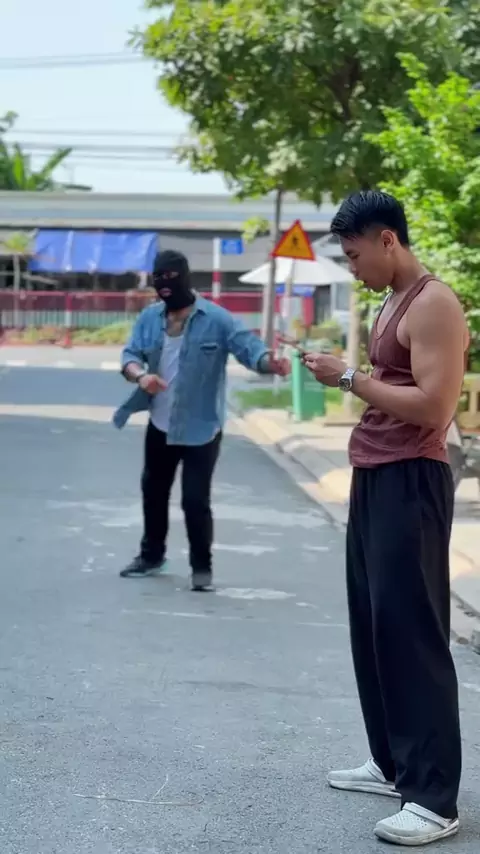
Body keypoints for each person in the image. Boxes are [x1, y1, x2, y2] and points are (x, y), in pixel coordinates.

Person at [303, 191, 468, 847]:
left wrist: (347, 379)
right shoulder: (392, 300)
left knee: (413, 634)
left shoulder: (434, 303)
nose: (352, 269)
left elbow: (434, 407)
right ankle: (393, 762)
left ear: (388, 241)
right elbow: (393, 384)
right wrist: (351, 377)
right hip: (376, 473)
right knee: (374, 626)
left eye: (354, 256)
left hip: (413, 479)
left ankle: (433, 797)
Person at [113, 249, 290, 592]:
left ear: (185, 278)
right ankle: (151, 556)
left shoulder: (217, 319)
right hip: (161, 425)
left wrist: (271, 362)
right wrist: (140, 377)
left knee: (195, 501)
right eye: (158, 279)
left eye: (171, 278)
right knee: (153, 492)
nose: (164, 285)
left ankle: (201, 568)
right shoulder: (149, 318)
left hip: (201, 428)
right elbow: (130, 355)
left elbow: (249, 348)